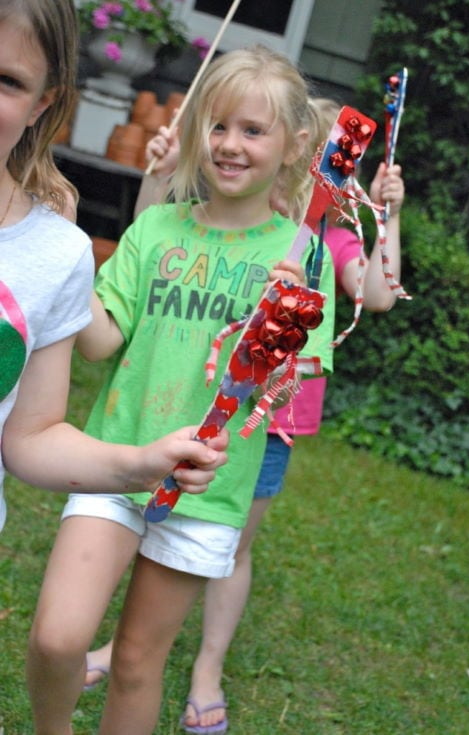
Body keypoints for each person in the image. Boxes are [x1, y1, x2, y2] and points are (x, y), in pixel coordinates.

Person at [26, 45, 335, 735]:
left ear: (293, 146)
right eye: (217, 125)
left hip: (205, 491)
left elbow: (283, 397)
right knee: (57, 637)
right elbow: (101, 339)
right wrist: (65, 252)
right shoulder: (157, 229)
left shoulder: (301, 262)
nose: (229, 144)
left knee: (136, 661)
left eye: (253, 130)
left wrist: (278, 330)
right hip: (112, 462)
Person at [84, 97, 406, 732]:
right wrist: (159, 174)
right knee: (143, 521)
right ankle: (127, 646)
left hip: (265, 426)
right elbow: (146, 261)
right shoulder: (227, 215)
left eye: (323, 156)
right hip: (178, 409)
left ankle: (206, 666)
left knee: (226, 547)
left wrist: (388, 213)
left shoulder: (321, 237)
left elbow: (379, 294)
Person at [0, 0, 226, 549]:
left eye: (7, 81)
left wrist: (139, 463)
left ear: (41, 104)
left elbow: (29, 437)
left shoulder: (57, 253)